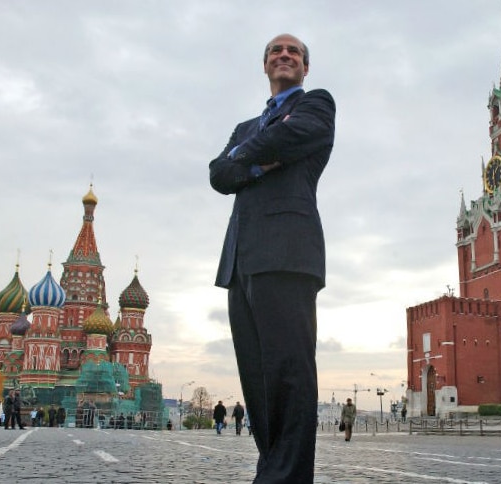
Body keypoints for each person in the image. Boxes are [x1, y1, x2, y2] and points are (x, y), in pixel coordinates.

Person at [208, 33, 334, 482]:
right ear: (265, 66)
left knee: (290, 373)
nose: (285, 56)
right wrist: (256, 159)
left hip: (287, 254)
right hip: (240, 261)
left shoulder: (315, 105)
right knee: (258, 379)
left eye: (294, 52)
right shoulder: (246, 128)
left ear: (304, 67)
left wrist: (244, 160)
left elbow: (300, 134)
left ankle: (288, 477)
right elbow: (218, 174)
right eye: (276, 52)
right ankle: (272, 469)